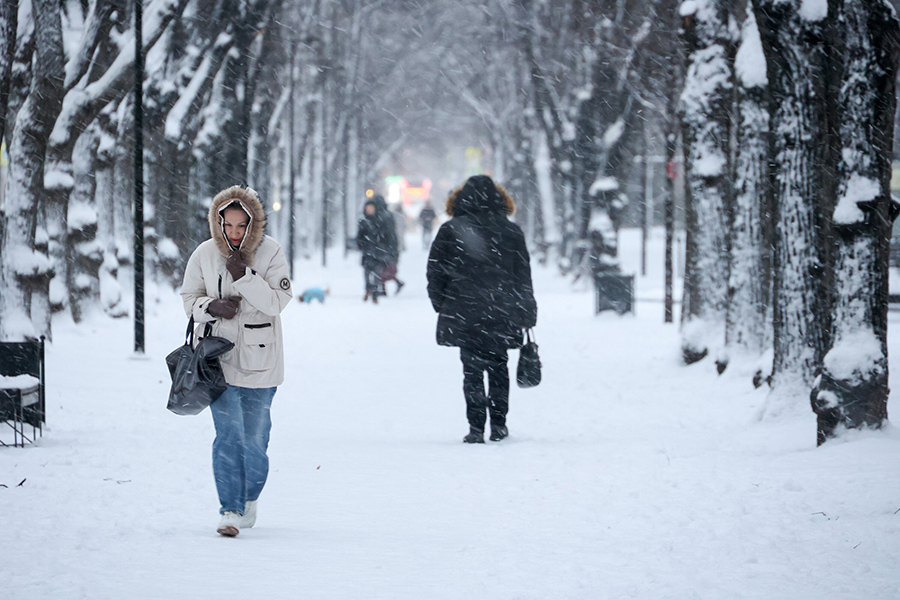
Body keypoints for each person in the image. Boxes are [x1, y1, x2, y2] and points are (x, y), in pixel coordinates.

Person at [180, 185, 292, 537]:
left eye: (241, 226)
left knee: (256, 438)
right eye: (228, 225)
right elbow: (189, 297)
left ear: (253, 223)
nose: (234, 233)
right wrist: (210, 307)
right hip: (218, 360)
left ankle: (249, 497)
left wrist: (244, 276)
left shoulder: (271, 252)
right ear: (218, 222)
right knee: (228, 435)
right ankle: (229, 509)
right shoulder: (203, 253)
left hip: (261, 360)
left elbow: (277, 302)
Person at [426, 175, 537, 443]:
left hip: (465, 311)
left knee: (471, 370)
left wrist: (442, 303)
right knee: (500, 366)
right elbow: (522, 276)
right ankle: (499, 424)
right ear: (500, 199)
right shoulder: (511, 232)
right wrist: (526, 311)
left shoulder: (451, 230)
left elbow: (435, 272)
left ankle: (476, 428)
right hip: (502, 310)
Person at [356, 195, 399, 303]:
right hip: (369, 252)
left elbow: (388, 236)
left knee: (376, 273)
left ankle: (374, 292)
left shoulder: (380, 220)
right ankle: (368, 289)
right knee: (367, 272)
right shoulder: (365, 221)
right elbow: (360, 237)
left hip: (377, 253)